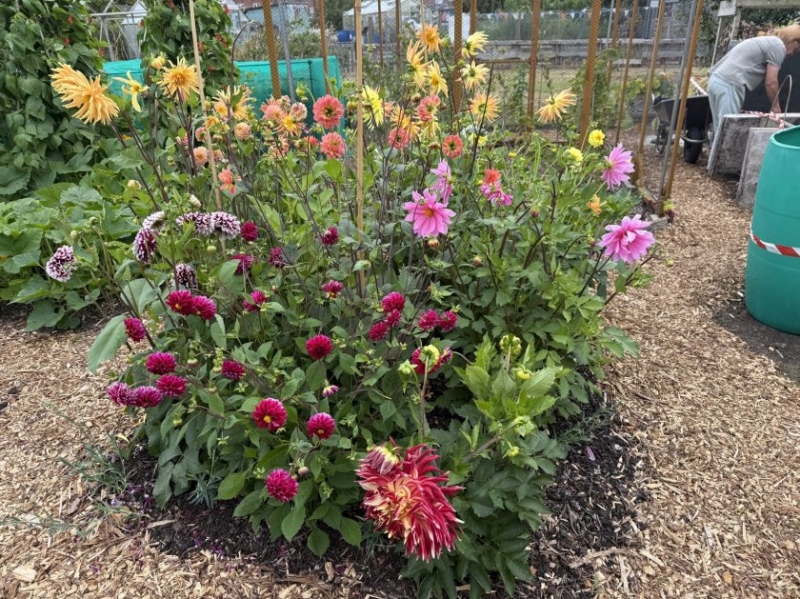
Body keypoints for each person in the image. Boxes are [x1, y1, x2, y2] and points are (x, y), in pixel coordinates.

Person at [708, 25, 800, 139]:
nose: (792, 54)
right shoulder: (778, 46)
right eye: (795, 49)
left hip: (715, 80)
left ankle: (714, 156)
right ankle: (724, 157)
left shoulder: (768, 41)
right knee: (727, 132)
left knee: (720, 130)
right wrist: (776, 107)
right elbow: (771, 82)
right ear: (793, 39)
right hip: (729, 83)